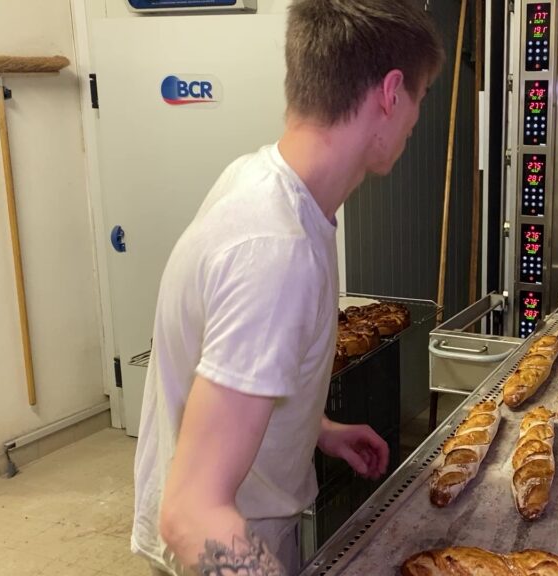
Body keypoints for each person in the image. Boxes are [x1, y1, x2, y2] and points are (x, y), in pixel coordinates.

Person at [130, 1, 444, 574]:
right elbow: (191, 513)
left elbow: (225, 377)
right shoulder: (276, 250)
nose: (416, 119)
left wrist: (314, 428)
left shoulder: (264, 182)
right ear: (391, 92)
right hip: (221, 551)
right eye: (421, 97)